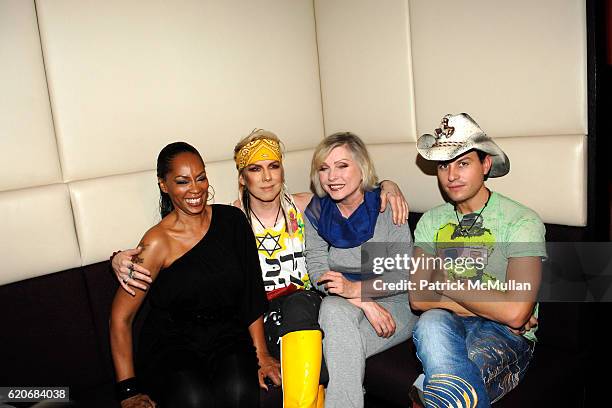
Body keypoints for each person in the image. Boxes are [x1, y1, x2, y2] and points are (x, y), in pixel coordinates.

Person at [111, 130, 409, 408]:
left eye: (274, 167)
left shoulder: (307, 208)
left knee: (312, 309)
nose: (266, 178)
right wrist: (118, 259)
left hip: (304, 309)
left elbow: (358, 203)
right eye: (255, 169)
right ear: (242, 178)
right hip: (261, 318)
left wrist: (388, 185)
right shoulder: (234, 218)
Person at [109, 142, 273, 408]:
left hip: (227, 336)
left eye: (201, 178)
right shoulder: (157, 242)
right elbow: (121, 316)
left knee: (241, 392)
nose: (196, 189)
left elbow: (250, 293)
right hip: (172, 344)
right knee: (194, 400)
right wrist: (128, 391)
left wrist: (262, 355)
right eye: (183, 181)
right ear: (164, 185)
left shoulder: (232, 221)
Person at [409, 113, 545, 408]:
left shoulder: (521, 221)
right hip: (452, 323)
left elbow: (517, 313)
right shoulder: (431, 221)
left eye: (463, 163)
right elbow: (419, 298)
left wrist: (443, 282)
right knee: (430, 321)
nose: (452, 175)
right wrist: (500, 309)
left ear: (485, 165)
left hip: (506, 336)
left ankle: (424, 392)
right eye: (443, 165)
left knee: (439, 389)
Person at [303, 132, 419, 408]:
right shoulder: (318, 213)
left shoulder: (387, 206)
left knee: (338, 354)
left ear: (362, 168)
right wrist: (360, 299)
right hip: (344, 301)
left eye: (342, 165)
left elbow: (403, 275)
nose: (332, 176)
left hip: (396, 302)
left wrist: (357, 289)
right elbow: (317, 269)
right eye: (324, 168)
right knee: (331, 309)